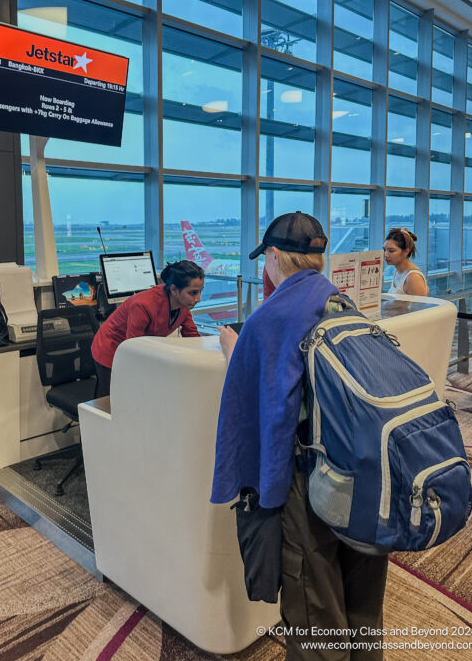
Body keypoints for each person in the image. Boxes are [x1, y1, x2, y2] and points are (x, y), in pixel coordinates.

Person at [211, 211, 388, 661]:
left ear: (272, 256)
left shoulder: (270, 320)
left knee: (313, 603)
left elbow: (267, 411)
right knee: (362, 598)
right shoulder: (341, 303)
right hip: (361, 475)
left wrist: (236, 353)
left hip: (309, 481)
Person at [91, 259, 204, 397]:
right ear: (174, 289)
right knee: (114, 401)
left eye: (200, 292)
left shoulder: (183, 306)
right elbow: (134, 348)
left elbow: (192, 337)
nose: (198, 299)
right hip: (110, 348)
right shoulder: (144, 305)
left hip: (136, 351)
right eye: (192, 293)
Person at [384, 228, 429, 296]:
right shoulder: (397, 271)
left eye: (391, 251)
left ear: (406, 251)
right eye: (385, 250)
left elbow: (421, 306)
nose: (386, 254)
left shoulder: (413, 277)